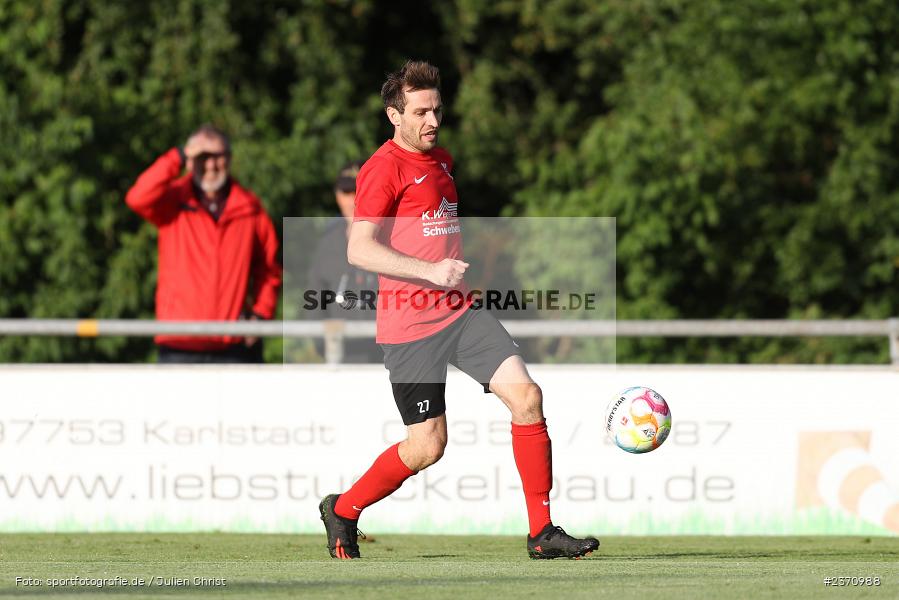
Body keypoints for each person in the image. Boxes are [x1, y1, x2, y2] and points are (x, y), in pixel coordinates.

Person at [318, 61, 599, 559]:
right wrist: (429, 273)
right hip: (409, 327)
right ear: (393, 115)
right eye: (420, 111)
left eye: (437, 110)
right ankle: (344, 509)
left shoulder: (443, 161)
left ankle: (542, 533)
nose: (432, 120)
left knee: (528, 397)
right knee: (427, 447)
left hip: (461, 314)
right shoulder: (382, 169)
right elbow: (358, 249)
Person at [125, 125, 282, 363]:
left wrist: (261, 315)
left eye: (217, 157)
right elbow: (137, 197)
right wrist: (177, 156)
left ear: (229, 159)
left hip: (234, 346)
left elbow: (269, 268)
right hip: (179, 344)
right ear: (189, 160)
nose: (210, 165)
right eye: (202, 157)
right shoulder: (173, 201)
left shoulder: (250, 208)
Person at [307, 161, 381, 363]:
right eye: (347, 192)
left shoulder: (393, 237)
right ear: (337, 195)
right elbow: (315, 299)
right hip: (341, 359)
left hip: (387, 360)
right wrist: (324, 346)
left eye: (359, 191)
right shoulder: (327, 244)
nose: (353, 200)